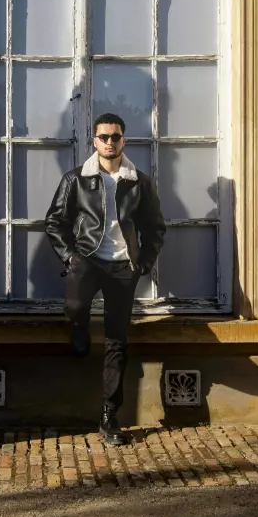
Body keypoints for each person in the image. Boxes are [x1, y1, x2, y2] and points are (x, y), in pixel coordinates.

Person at [44, 113, 166, 446]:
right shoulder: (76, 180)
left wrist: (143, 264)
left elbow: (155, 228)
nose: (109, 142)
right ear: (94, 141)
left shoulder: (139, 182)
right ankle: (79, 326)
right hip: (87, 259)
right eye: (103, 137)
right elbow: (55, 221)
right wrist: (70, 256)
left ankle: (110, 416)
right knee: (75, 305)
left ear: (123, 140)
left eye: (115, 137)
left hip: (122, 267)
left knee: (117, 341)